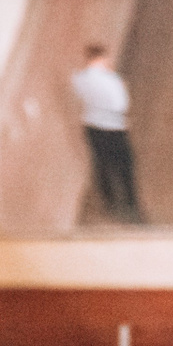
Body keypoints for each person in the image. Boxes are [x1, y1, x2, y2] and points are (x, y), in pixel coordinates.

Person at [72, 44, 143, 222]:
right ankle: (130, 203)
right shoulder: (111, 80)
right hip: (114, 127)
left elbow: (79, 95)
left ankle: (109, 201)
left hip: (92, 126)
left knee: (101, 164)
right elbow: (121, 104)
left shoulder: (79, 78)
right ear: (101, 58)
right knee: (125, 165)